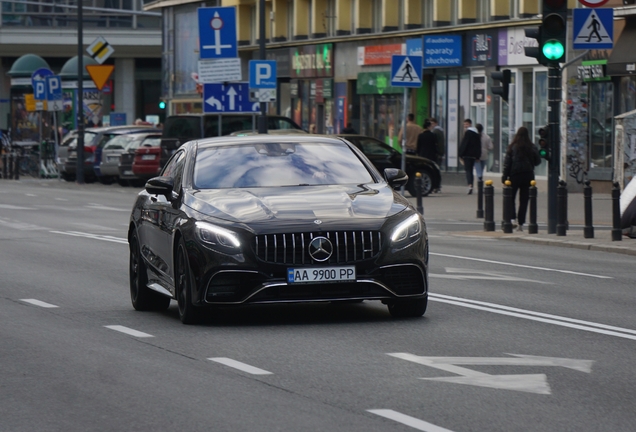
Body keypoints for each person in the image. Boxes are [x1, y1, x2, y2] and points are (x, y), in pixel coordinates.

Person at [502, 126, 542, 232]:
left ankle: (512, 218)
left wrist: (504, 178)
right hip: (528, 175)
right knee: (524, 200)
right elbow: (538, 161)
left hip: (514, 175)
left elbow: (507, 164)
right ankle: (521, 223)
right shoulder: (531, 147)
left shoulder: (512, 147)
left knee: (510, 198)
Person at [458, 119, 481, 194]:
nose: (465, 126)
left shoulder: (468, 133)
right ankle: (471, 185)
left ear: (470, 124)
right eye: (464, 124)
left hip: (467, 155)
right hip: (474, 155)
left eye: (466, 124)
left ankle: (470, 185)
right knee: (471, 170)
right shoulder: (476, 133)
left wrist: (460, 154)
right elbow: (478, 145)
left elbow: (465, 144)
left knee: (468, 170)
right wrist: (477, 156)